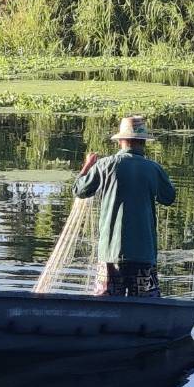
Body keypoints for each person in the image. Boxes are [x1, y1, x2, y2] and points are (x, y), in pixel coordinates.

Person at [73, 115, 176, 297]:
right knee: (145, 307)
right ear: (143, 142)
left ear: (121, 140)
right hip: (143, 252)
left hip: (111, 253)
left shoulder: (105, 165)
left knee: (106, 307)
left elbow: (79, 190)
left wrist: (88, 166)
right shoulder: (154, 168)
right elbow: (168, 198)